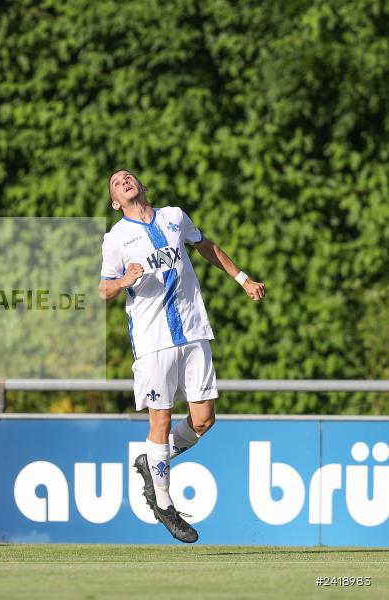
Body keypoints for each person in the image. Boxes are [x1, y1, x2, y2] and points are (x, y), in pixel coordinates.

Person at [99, 170, 266, 543]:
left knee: (204, 420)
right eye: (116, 182)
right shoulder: (116, 238)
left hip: (194, 331)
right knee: (160, 421)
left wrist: (243, 279)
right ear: (115, 202)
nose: (124, 180)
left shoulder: (174, 216)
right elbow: (103, 289)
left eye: (129, 176)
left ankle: (152, 462)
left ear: (142, 186)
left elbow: (205, 246)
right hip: (152, 340)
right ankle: (163, 504)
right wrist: (123, 282)